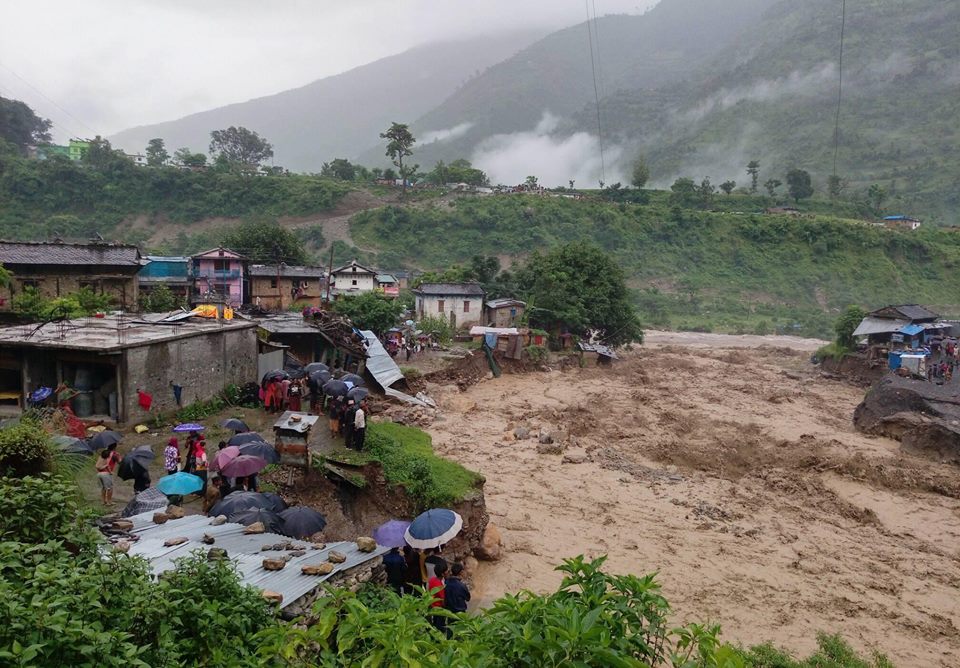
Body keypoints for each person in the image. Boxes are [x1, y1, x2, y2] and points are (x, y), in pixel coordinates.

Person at [427, 560, 448, 634]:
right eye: (446, 571)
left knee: (435, 626)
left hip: (432, 607)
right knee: (440, 628)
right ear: (442, 573)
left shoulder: (432, 580)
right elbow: (443, 601)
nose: (447, 572)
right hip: (439, 610)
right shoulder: (439, 586)